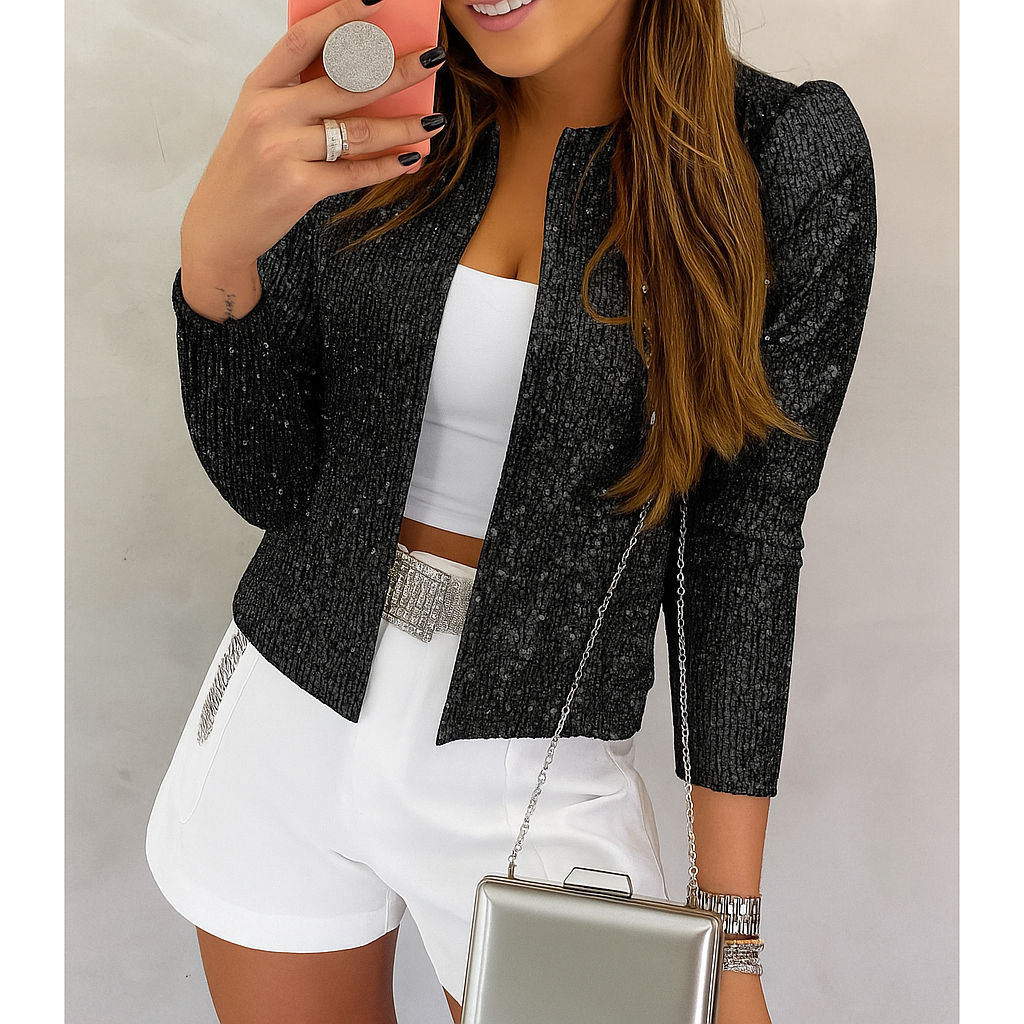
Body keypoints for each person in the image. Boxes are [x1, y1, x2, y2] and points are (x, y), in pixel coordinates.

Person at [145, 0, 876, 1021]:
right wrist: (217, 265)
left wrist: (733, 935)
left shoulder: (779, 154)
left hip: (536, 770)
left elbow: (742, 544)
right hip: (283, 715)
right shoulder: (382, 115)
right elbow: (270, 487)